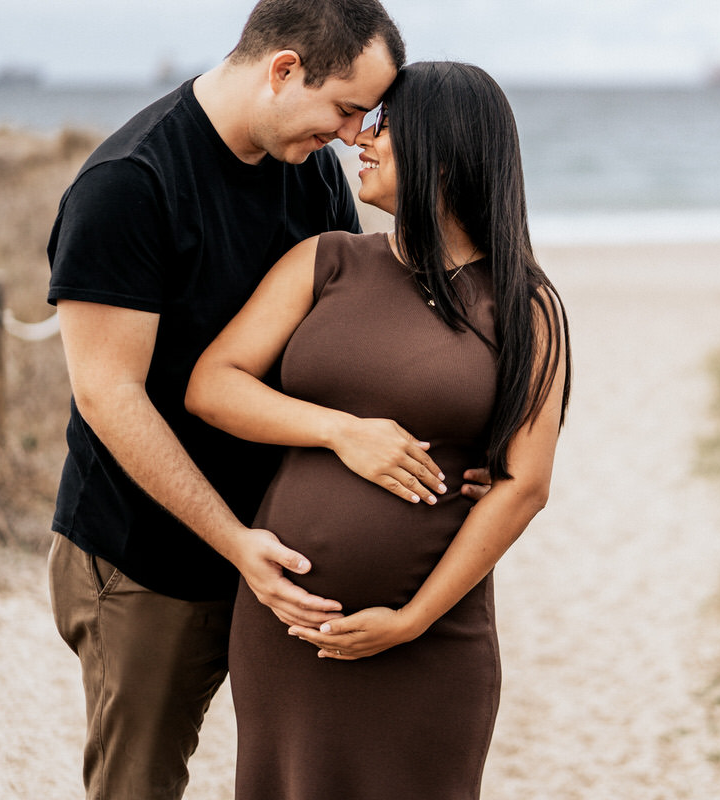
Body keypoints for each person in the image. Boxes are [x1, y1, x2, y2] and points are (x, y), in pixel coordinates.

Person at [45, 3, 485, 798]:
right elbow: (109, 397)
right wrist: (236, 542)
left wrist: (458, 461)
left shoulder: (305, 166)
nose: (356, 137)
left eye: (370, 117)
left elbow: (355, 342)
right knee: (138, 785)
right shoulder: (128, 185)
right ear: (284, 70)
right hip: (151, 561)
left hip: (281, 560)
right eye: (348, 109)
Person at [184, 60, 572, 799]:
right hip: (288, 631)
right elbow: (212, 386)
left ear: (445, 149)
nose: (358, 137)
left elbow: (526, 486)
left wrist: (411, 620)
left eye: (385, 125)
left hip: (432, 641)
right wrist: (339, 431)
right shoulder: (325, 262)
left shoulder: (524, 305)